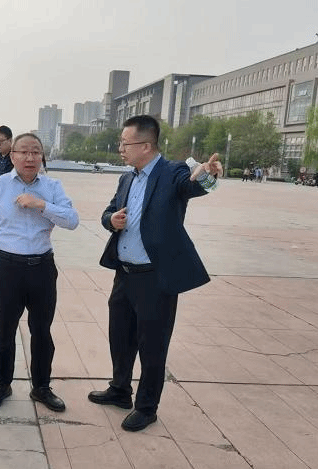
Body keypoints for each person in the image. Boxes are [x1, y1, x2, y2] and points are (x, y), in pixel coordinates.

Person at [88, 115, 222, 432]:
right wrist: (111, 220)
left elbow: (194, 186)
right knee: (120, 337)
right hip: (124, 275)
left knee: (152, 346)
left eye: (125, 143)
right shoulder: (127, 179)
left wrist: (209, 176)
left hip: (155, 279)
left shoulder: (172, 172)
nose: (120, 148)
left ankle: (147, 407)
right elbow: (108, 211)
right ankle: (120, 390)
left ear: (146, 146)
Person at [0, 133, 79, 411]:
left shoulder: (52, 186)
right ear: (12, 155)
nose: (30, 157)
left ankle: (41, 387)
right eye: (23, 152)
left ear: (42, 157)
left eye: (36, 152)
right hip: (8, 268)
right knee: (5, 329)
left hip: (42, 268)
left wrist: (41, 204)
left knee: (42, 330)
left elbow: (72, 220)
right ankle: (2, 384)